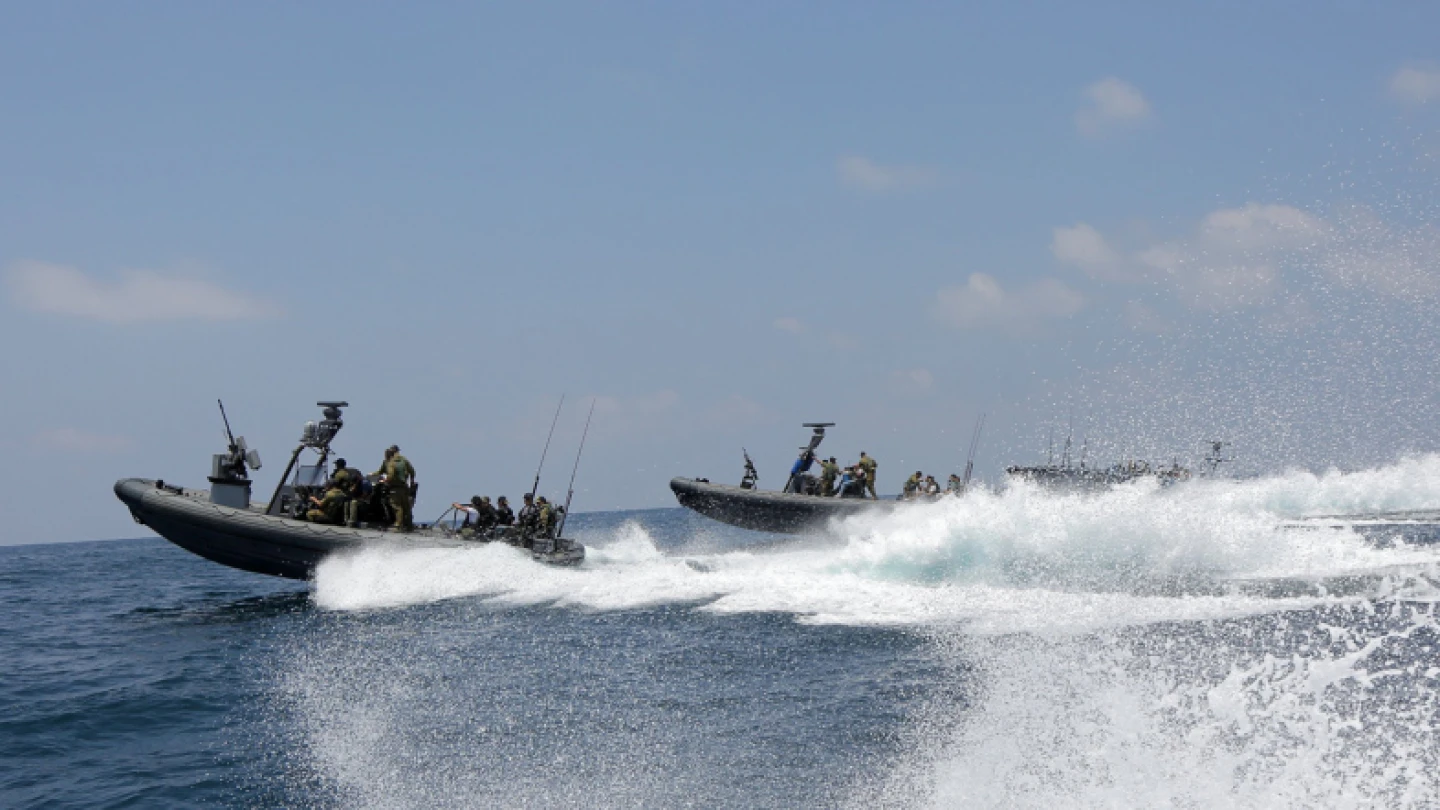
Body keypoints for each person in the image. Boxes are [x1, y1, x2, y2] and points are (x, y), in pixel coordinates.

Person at [376, 445, 417, 531]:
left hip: (394, 488)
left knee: (396, 506)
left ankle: (398, 524)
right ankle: (409, 525)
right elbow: (412, 471)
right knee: (406, 507)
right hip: (404, 487)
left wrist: (384, 481)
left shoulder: (391, 462)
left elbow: (390, 475)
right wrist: (412, 481)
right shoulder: (403, 460)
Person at [330, 458, 364, 527]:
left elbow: (334, 484)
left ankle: (337, 518)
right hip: (355, 493)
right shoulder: (351, 471)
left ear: (338, 465)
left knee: (333, 496)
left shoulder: (340, 473)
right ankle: (347, 520)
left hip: (347, 493)